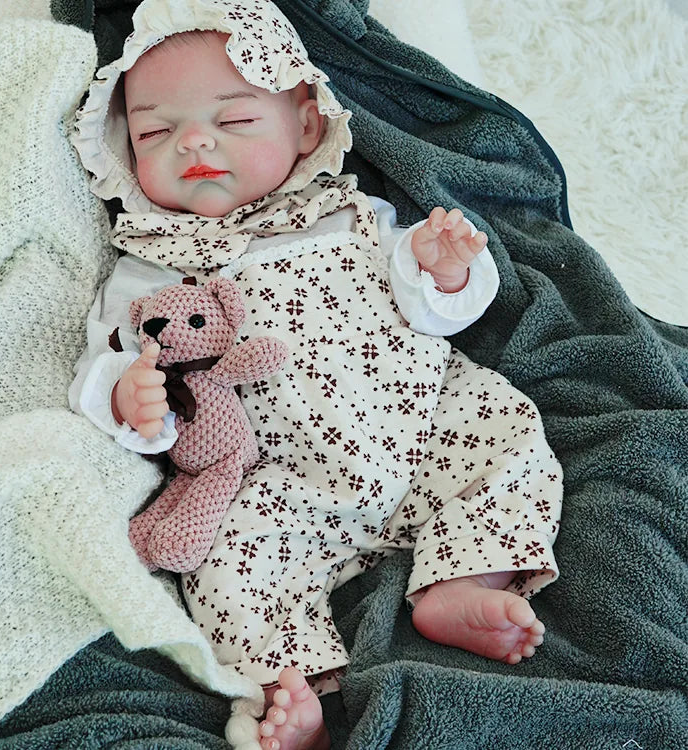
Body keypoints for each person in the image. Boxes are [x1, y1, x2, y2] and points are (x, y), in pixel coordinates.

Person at [69, 1, 562, 748]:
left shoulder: (351, 214)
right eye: (155, 131)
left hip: (426, 424)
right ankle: (289, 697)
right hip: (283, 483)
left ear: (304, 124)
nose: (194, 142)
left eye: (234, 121)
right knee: (224, 574)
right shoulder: (152, 261)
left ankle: (461, 580)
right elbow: (101, 357)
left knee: (514, 436)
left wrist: (446, 270)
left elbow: (436, 313)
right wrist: (123, 393)